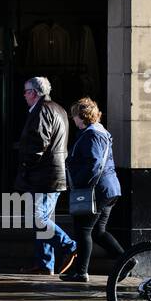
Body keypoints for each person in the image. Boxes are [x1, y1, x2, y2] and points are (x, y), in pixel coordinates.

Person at [16, 77, 78, 276]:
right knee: (43, 218)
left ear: (34, 92)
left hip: (44, 174)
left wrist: (26, 165)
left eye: (26, 91)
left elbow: (38, 144)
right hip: (53, 173)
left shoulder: (42, 110)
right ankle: (44, 264)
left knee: (36, 217)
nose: (24, 95)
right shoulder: (58, 108)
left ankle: (69, 245)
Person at [62, 98, 124, 283]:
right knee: (98, 231)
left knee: (83, 229)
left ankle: (81, 272)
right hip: (108, 189)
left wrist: (79, 185)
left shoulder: (92, 134)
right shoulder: (99, 131)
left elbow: (95, 163)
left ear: (81, 116)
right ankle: (126, 261)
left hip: (97, 190)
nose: (73, 119)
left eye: (74, 115)